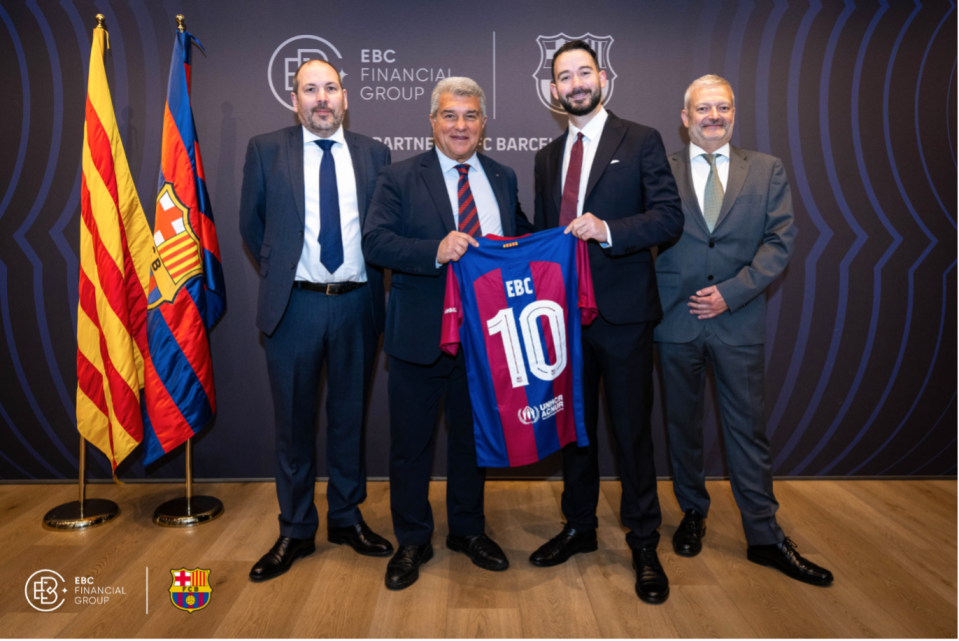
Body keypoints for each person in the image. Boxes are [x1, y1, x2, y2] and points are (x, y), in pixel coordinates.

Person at [656, 74, 832, 586]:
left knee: (748, 433)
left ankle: (764, 535)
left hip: (737, 319)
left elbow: (780, 241)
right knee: (681, 428)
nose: (714, 116)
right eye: (703, 109)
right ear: (685, 118)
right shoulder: (659, 170)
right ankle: (693, 512)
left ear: (734, 114)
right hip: (673, 321)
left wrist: (731, 292)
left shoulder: (768, 170)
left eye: (723, 107)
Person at [362, 77, 534, 591]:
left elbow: (521, 235)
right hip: (420, 334)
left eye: (471, 116)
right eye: (450, 116)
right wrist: (434, 250)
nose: (461, 126)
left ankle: (468, 530)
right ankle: (413, 539)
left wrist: (557, 244)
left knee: (472, 441)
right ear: (432, 121)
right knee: (410, 446)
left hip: (487, 337)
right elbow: (375, 242)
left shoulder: (502, 176)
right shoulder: (397, 177)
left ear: (484, 124)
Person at [530, 40, 684, 604]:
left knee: (631, 432)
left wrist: (609, 229)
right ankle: (580, 527)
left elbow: (669, 218)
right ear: (553, 90)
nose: (575, 84)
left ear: (602, 78)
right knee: (574, 432)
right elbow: (546, 239)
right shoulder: (547, 157)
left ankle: (644, 542)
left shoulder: (641, 139)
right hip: (563, 320)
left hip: (621, 316)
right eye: (564, 76)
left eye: (583, 73)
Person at [239, 59, 393, 582]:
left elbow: (381, 228)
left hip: (358, 304)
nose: (321, 98)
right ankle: (296, 528)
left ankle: (347, 519)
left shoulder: (375, 153)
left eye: (330, 88)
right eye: (310, 89)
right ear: (294, 98)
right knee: (294, 425)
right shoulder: (265, 149)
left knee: (350, 419)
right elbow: (251, 221)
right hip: (295, 305)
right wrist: (286, 273)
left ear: (345, 98)